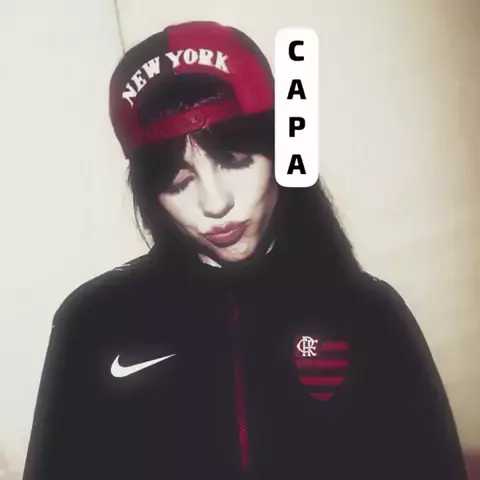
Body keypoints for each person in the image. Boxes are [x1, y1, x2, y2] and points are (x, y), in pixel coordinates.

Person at [23, 21, 467, 480]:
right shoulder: (93, 323)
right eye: (178, 180)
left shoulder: (371, 314)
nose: (215, 203)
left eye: (235, 160)